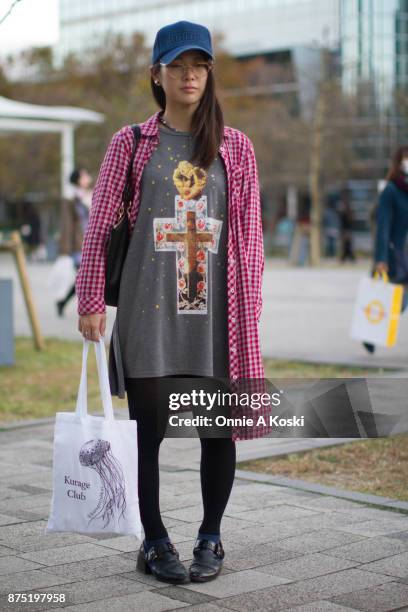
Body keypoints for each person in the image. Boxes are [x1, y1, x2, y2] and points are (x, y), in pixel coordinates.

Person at [75, 21, 267, 585]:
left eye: (200, 66)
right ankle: (154, 541)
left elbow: (250, 233)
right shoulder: (131, 143)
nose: (190, 75)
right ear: (157, 74)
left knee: (217, 432)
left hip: (215, 320)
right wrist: (90, 298)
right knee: (148, 435)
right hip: (147, 313)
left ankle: (211, 536)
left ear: (210, 74)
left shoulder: (236, 147)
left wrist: (249, 307)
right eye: (178, 66)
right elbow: (101, 223)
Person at [363, 145, 408, 354]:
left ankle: (370, 332)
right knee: (394, 300)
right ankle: (370, 332)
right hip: (395, 253)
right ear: (399, 163)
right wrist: (380, 257)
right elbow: (383, 226)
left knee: (398, 300)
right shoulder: (391, 190)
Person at [57, 168, 93, 317]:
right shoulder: (71, 199)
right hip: (78, 245)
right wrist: (65, 248)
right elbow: (67, 225)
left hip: (91, 242)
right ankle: (87, 306)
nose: (88, 177)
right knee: (85, 277)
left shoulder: (91, 195)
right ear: (78, 179)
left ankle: (63, 302)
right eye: (84, 175)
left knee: (84, 277)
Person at [338, 188, 356, 262]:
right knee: (346, 245)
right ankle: (347, 257)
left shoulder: (347, 210)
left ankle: (348, 257)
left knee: (347, 245)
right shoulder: (345, 210)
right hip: (345, 229)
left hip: (347, 229)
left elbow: (349, 221)